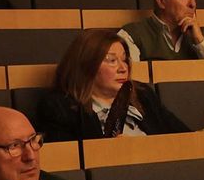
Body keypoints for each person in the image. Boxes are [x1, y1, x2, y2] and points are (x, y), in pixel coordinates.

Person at [36, 30, 190, 141]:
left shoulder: (143, 94)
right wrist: (112, 154)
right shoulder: (59, 107)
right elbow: (66, 163)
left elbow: (186, 138)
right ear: (86, 65)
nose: (123, 68)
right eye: (111, 60)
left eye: (124, 59)